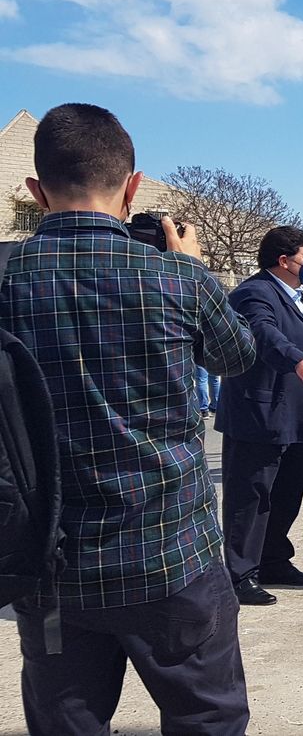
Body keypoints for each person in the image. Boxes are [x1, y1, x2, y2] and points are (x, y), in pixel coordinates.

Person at [2, 103, 257, 733]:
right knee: (207, 718)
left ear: (36, 193)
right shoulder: (176, 279)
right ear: (133, 185)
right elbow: (237, 356)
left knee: (66, 722)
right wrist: (193, 264)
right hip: (171, 555)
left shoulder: (5, 279)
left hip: (52, 561)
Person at [215, 226, 303, 607]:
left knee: (286, 494)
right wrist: (300, 360)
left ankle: (273, 560)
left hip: (298, 412)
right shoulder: (254, 293)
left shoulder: (298, 297)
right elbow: (265, 336)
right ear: (283, 261)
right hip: (261, 413)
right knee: (251, 498)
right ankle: (240, 574)